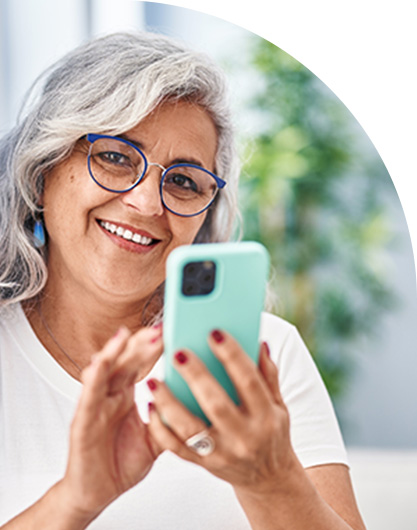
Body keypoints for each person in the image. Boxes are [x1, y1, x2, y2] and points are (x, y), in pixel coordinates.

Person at [0, 31, 366, 529]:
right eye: (114, 156)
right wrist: (74, 500)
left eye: (183, 181)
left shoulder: (265, 357)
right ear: (43, 168)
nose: (147, 203)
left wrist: (271, 480)